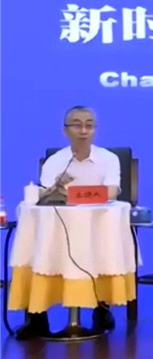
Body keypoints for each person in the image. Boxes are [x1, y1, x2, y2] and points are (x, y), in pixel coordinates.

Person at [16, 106, 119, 340]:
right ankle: (37, 318)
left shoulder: (108, 158)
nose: (83, 131)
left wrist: (75, 194)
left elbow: (113, 191)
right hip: (58, 230)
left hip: (95, 229)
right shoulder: (56, 161)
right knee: (38, 247)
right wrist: (55, 188)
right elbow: (43, 195)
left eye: (89, 125)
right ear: (65, 131)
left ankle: (101, 310)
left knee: (100, 248)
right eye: (77, 125)